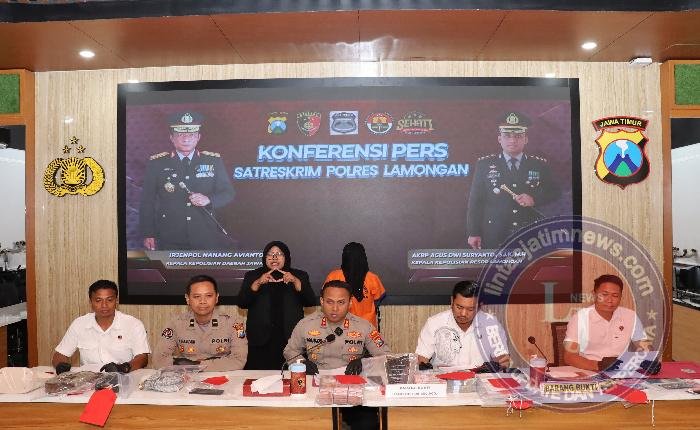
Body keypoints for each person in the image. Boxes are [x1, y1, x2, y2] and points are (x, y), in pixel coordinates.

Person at [284, 280, 390, 430]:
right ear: (322, 301)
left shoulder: (363, 326)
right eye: (329, 302)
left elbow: (385, 356)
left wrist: (364, 361)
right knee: (303, 422)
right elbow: (290, 351)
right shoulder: (306, 324)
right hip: (315, 388)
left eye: (341, 302)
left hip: (352, 388)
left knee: (368, 423)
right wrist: (301, 363)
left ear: (350, 302)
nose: (335, 308)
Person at [139, 111, 235, 250]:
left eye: (191, 135)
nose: (186, 139)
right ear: (172, 138)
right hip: (169, 234)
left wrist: (209, 200)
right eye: (180, 134)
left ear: (198, 137)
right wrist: (148, 233)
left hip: (205, 233)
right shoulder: (157, 163)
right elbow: (147, 201)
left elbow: (228, 193)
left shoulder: (213, 161)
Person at [466, 111, 559, 249]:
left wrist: (534, 199)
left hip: (530, 234)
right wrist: (474, 232)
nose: (512, 140)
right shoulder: (484, 165)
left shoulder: (539, 165)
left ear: (526, 139)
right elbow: (475, 201)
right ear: (499, 139)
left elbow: (555, 192)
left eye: (518, 136)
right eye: (507, 136)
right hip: (495, 233)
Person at [238, 241, 316, 369]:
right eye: (270, 254)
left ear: (287, 257)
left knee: (293, 376)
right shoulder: (253, 275)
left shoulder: (299, 275)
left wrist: (295, 281)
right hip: (260, 340)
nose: (274, 257)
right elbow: (242, 303)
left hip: (291, 340)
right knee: (258, 377)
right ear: (264, 257)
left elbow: (310, 302)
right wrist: (257, 283)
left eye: (279, 254)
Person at [52, 280, 149, 374]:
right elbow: (60, 354)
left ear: (116, 300)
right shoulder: (79, 324)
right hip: (88, 380)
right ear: (91, 302)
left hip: (123, 378)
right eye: (98, 300)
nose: (104, 305)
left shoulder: (133, 324)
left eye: (109, 300)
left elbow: (142, 358)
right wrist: (60, 365)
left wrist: (123, 368)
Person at [152, 274, 247, 370]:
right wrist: (193, 366)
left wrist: (196, 365)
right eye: (197, 296)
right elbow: (159, 359)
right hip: (188, 376)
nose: (202, 301)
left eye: (209, 296)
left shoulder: (233, 324)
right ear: (187, 299)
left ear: (216, 298)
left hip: (222, 375)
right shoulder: (176, 324)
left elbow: (238, 360)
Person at [564, 274, 651, 372]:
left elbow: (644, 345)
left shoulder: (630, 316)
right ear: (594, 294)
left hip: (622, 371)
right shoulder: (580, 318)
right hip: (590, 370)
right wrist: (599, 365)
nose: (610, 300)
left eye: (615, 296)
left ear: (620, 297)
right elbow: (569, 356)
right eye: (604, 295)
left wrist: (649, 358)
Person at [416, 280, 510, 370]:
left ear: (480, 306)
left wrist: (500, 364)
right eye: (459, 307)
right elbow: (422, 359)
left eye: (470, 309)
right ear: (452, 301)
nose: (463, 314)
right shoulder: (434, 323)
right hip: (442, 378)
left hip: (481, 377)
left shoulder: (491, 324)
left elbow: (503, 360)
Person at [324, 242, 386, 328]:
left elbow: (326, 299)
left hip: (341, 327)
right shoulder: (372, 278)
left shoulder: (333, 276)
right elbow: (378, 299)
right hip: (366, 326)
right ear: (363, 257)